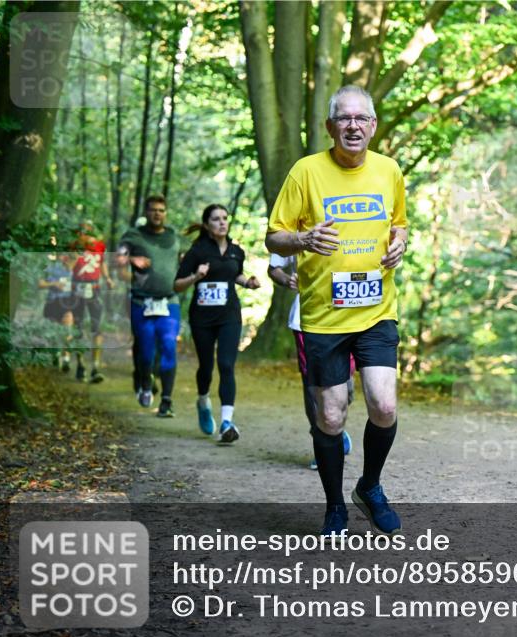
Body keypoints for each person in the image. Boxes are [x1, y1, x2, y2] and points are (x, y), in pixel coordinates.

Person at [265, 85, 408, 535]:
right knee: (330, 416)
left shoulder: (389, 170)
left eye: (361, 118)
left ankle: (369, 486)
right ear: (330, 126)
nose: (353, 125)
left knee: (384, 405)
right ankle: (334, 506)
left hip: (377, 311)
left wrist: (401, 242)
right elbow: (273, 237)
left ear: (373, 126)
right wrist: (302, 239)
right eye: (344, 118)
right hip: (324, 316)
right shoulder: (305, 172)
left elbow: (400, 223)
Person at [175, 204, 260, 443]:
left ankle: (226, 422)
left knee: (226, 364)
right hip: (202, 318)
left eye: (225, 218)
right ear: (206, 224)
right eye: (216, 219)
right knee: (206, 367)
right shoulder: (197, 252)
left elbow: (235, 274)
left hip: (229, 316)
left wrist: (248, 283)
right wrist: (196, 276)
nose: (222, 222)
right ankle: (203, 401)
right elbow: (177, 285)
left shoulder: (236, 251)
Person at [268, 252, 353, 466]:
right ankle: (322, 441)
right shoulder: (297, 233)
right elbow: (274, 268)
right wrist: (287, 279)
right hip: (306, 318)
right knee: (314, 385)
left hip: (349, 316)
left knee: (346, 388)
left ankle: (335, 428)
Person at [117, 195, 182, 417]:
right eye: (153, 210)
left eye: (161, 210)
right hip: (141, 302)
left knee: (169, 346)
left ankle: (166, 400)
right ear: (146, 213)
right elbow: (117, 258)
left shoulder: (173, 236)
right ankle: (144, 381)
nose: (157, 214)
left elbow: (187, 256)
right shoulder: (133, 235)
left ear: (166, 213)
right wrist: (131, 260)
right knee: (146, 351)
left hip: (169, 301)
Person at [70, 221, 114, 383]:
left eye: (88, 230)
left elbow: (102, 263)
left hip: (94, 288)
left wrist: (107, 278)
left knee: (97, 327)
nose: (85, 234)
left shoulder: (99, 246)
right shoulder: (74, 246)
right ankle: (80, 364)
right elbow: (68, 267)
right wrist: (76, 255)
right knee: (78, 327)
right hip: (77, 288)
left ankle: (96, 367)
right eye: (82, 231)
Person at [39, 253, 75, 372]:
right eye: (61, 255)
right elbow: (40, 284)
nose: (64, 258)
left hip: (68, 303)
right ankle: (55, 354)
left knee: (67, 331)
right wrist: (54, 284)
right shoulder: (50, 268)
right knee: (53, 332)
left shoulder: (74, 269)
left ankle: (66, 359)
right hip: (52, 303)